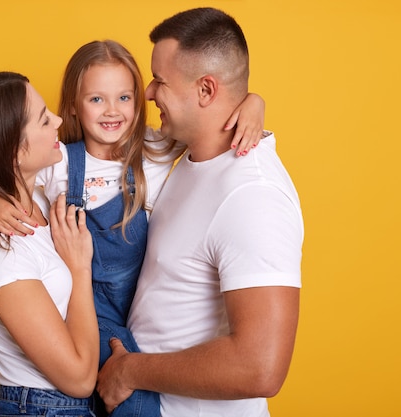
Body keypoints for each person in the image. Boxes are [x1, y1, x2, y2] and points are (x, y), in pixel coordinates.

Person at [0, 40, 265, 417]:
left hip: (135, 313)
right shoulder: (58, 165)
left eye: (124, 98)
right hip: (87, 325)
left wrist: (252, 102)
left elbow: (209, 120)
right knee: (134, 396)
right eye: (96, 100)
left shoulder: (154, 148)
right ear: (74, 106)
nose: (112, 111)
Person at [96, 8, 304, 417]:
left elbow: (260, 367)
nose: (150, 92)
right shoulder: (187, 158)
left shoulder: (252, 196)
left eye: (161, 81)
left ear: (206, 91)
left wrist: (130, 370)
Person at [0, 71, 99, 416]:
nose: (58, 120)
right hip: (45, 408)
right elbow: (80, 379)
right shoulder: (4, 251)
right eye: (44, 120)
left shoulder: (37, 196)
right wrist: (79, 268)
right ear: (14, 151)